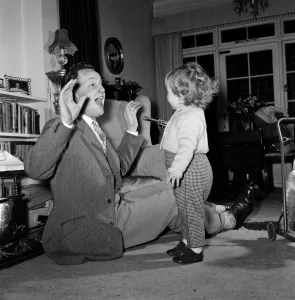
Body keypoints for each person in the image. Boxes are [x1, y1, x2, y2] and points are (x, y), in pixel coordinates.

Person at [24, 62, 254, 265]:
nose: (102, 88)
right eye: (92, 85)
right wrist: (65, 121)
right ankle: (227, 219)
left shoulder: (95, 130)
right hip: (93, 225)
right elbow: (36, 169)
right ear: (71, 95)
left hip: (110, 206)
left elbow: (118, 171)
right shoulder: (61, 128)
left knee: (168, 188)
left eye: (101, 84)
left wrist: (131, 129)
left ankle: (208, 213)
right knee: (175, 197)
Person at [160, 62, 251, 265]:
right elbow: (181, 136)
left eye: (168, 92)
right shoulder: (185, 112)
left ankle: (195, 249)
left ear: (182, 95)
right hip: (186, 170)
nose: (166, 96)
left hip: (189, 169)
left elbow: (186, 148)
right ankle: (186, 241)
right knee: (184, 210)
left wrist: (176, 169)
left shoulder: (189, 118)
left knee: (192, 211)